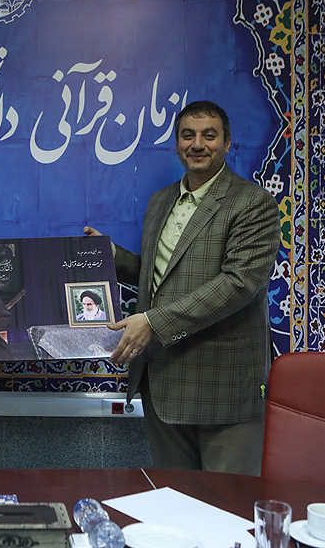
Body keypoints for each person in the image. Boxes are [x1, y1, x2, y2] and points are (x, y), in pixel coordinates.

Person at [84, 100, 279, 475]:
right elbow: (160, 276)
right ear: (177, 144)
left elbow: (238, 284)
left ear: (227, 142)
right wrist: (110, 256)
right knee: (175, 498)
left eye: (209, 135)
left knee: (227, 503)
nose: (198, 144)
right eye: (188, 135)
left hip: (222, 387)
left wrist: (153, 323)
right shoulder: (161, 201)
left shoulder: (253, 203)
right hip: (164, 381)